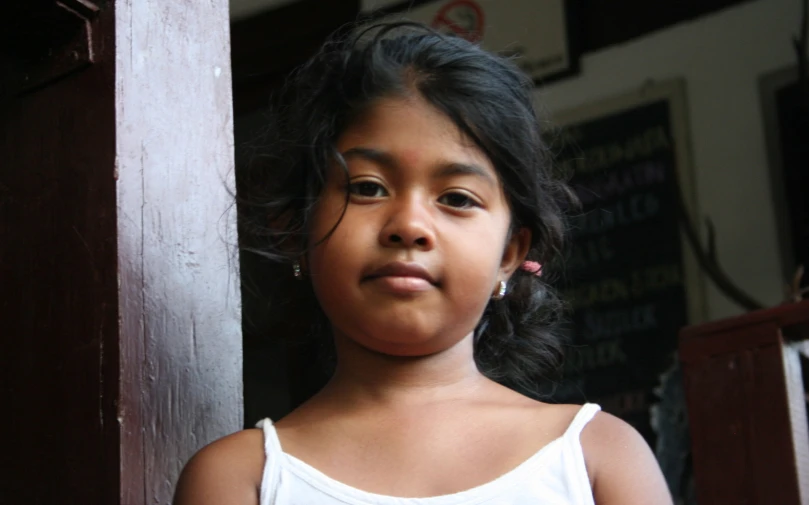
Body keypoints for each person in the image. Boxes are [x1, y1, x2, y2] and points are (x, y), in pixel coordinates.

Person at [174, 21, 672, 505]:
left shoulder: (594, 457)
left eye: (456, 198)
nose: (409, 225)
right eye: (368, 187)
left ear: (510, 254)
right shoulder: (244, 479)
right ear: (297, 230)